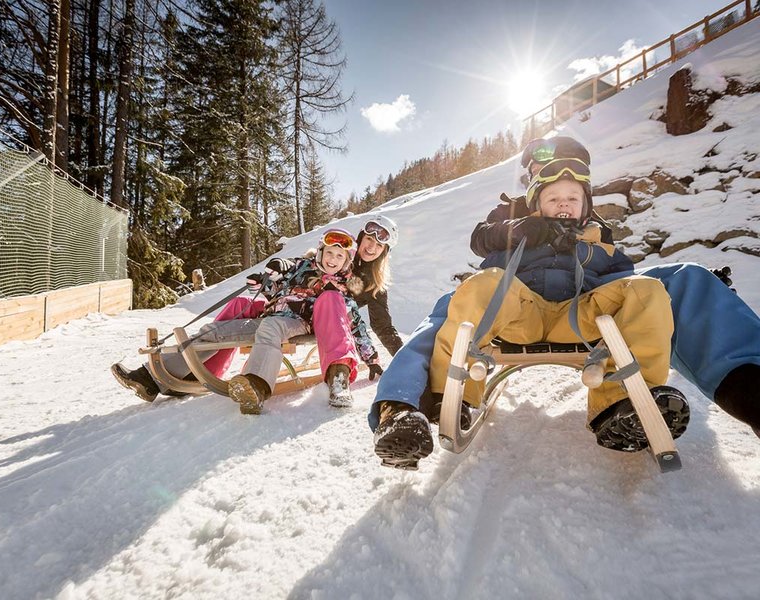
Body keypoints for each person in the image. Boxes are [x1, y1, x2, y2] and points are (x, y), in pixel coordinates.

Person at [369, 137, 760, 469]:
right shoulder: (513, 221)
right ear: (536, 197)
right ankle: (419, 404)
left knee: (659, 287)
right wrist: (520, 231)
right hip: (518, 313)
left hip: (582, 315)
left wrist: (603, 261)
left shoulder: (598, 235)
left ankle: (631, 401)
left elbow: (626, 279)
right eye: (553, 196)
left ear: (586, 203)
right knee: (465, 295)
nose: (563, 203)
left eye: (572, 197)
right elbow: (481, 240)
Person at [112, 228, 380, 413]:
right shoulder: (300, 266)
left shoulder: (343, 287)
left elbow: (355, 325)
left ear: (346, 260)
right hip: (271, 316)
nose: (333, 260)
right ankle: (153, 380)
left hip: (298, 322)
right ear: (320, 252)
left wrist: (372, 359)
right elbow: (270, 288)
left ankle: (258, 385)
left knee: (272, 326)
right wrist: (268, 278)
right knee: (216, 329)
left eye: (339, 256)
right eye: (329, 253)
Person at [351, 215, 404, 357]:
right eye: (369, 239)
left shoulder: (374, 282)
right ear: (361, 238)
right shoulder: (341, 255)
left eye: (379, 245)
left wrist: (403, 358)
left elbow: (382, 325)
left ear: (384, 252)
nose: (371, 247)